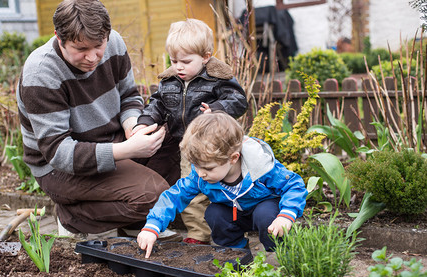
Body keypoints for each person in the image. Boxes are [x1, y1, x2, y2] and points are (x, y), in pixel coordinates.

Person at [16, 0, 180, 241]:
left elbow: (129, 96)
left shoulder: (114, 42)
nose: (92, 57)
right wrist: (125, 150)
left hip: (111, 139)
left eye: (98, 46)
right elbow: (59, 153)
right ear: (59, 38)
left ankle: (136, 221)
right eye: (81, 49)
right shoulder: (41, 73)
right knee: (155, 196)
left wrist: (132, 125)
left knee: (170, 133)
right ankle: (72, 216)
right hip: (60, 167)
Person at [132, 19, 248, 245]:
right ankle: (198, 235)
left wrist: (217, 109)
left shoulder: (217, 79)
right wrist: (145, 120)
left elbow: (239, 100)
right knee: (193, 190)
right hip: (186, 146)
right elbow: (157, 103)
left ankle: (231, 230)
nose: (179, 67)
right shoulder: (170, 81)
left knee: (221, 187)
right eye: (174, 61)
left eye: (186, 61)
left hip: (214, 144)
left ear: (205, 57)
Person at [137, 112, 307, 258]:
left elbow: (294, 185)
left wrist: (286, 215)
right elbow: (173, 196)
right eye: (196, 165)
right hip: (234, 213)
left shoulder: (262, 168)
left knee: (265, 215)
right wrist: (152, 226)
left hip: (265, 210)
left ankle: (283, 254)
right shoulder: (200, 175)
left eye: (208, 168)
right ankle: (236, 254)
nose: (201, 173)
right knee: (215, 213)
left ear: (233, 158)